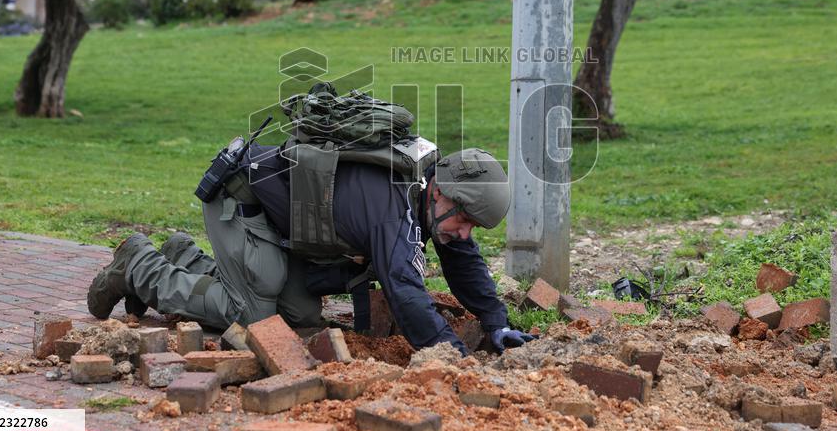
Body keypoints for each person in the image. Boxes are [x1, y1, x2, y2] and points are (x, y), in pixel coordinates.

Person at [87, 145, 536, 355]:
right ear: (441, 192)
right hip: (240, 197)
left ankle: (183, 255)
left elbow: (463, 258)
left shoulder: (428, 194)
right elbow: (404, 289)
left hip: (275, 218)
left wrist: (495, 324)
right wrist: (449, 354)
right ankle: (138, 263)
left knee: (298, 318)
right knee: (254, 318)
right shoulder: (392, 210)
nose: (463, 234)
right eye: (464, 222)